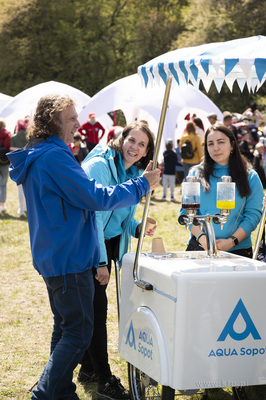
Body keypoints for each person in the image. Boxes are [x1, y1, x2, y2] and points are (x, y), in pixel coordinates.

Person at [7, 94, 160, 400]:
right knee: (78, 333)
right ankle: (47, 393)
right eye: (72, 118)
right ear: (53, 121)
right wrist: (142, 185)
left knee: (66, 329)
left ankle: (59, 391)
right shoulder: (53, 157)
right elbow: (96, 198)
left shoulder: (46, 152)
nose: (79, 124)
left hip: (59, 253)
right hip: (69, 256)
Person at [78, 121, 157, 399]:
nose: (134, 147)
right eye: (131, 140)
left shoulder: (135, 172)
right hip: (88, 243)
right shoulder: (100, 165)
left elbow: (120, 214)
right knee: (97, 311)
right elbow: (94, 216)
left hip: (109, 244)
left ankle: (87, 368)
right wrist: (99, 262)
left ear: (148, 151)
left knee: (96, 307)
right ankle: (105, 380)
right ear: (121, 138)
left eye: (142, 144)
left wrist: (137, 226)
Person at [180, 124, 263, 258]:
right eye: (210, 144)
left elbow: (253, 215)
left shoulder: (250, 176)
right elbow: (186, 212)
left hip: (238, 250)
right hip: (199, 247)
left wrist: (232, 242)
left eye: (221, 142)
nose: (216, 148)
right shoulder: (195, 173)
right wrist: (203, 239)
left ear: (232, 145)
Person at [10, 117, 30, 216]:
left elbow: (10, 150)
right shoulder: (29, 136)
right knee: (29, 188)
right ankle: (28, 208)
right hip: (29, 164)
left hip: (18, 164)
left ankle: (22, 209)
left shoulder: (14, 137)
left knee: (20, 189)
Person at [0, 119, 12, 213]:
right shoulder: (8, 135)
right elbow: (9, 147)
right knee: (3, 184)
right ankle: (2, 204)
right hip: (5, 161)